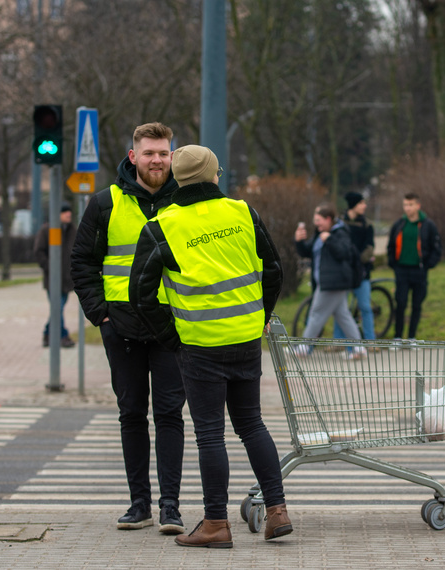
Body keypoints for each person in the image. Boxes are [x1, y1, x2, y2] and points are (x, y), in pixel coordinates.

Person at [129, 145, 291, 548]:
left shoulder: (161, 226)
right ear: (215, 175)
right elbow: (273, 271)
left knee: (210, 435)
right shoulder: (242, 212)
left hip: (200, 345)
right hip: (245, 338)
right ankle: (277, 512)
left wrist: (172, 338)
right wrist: (259, 316)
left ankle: (216, 524)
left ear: (176, 178)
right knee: (252, 424)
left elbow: (140, 294)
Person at [71, 122, 186, 535]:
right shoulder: (105, 203)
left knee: (170, 413)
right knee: (131, 413)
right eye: (150, 152)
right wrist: (98, 314)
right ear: (133, 156)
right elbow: (82, 262)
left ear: (173, 156)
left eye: (164, 152)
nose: (158, 159)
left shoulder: (187, 201)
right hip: (120, 326)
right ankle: (139, 504)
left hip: (173, 326)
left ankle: (170, 505)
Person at [294, 203, 365, 357]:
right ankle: (359, 348)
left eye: (319, 220)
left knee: (316, 314)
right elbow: (307, 252)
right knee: (343, 316)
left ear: (328, 219)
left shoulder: (340, 233)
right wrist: (299, 241)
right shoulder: (320, 233)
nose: (316, 223)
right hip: (325, 282)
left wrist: (330, 240)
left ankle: (304, 347)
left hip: (333, 282)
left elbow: (343, 253)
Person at [386, 193, 441, 342]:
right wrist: (393, 263)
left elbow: (436, 248)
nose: (407, 208)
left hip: (419, 271)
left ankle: (411, 338)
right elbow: (391, 245)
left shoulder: (428, 225)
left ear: (418, 206)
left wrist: (428, 265)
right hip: (401, 270)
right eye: (405, 205)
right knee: (401, 303)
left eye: (410, 205)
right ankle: (397, 337)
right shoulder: (399, 224)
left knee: (417, 305)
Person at [34, 202, 77, 348]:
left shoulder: (73, 231)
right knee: (57, 308)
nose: (68, 214)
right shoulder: (48, 230)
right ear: (57, 214)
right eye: (65, 212)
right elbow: (39, 251)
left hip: (66, 280)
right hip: (52, 279)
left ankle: (47, 334)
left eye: (69, 211)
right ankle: (63, 336)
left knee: (57, 309)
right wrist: (49, 268)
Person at [334, 192, 376, 340]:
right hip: (344, 273)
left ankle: (371, 341)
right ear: (353, 205)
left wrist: (357, 261)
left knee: (365, 307)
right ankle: (338, 342)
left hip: (362, 273)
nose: (364, 206)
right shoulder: (339, 223)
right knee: (341, 309)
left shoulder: (367, 224)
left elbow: (369, 247)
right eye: (361, 203)